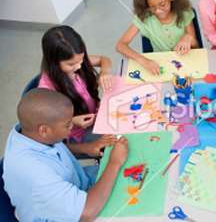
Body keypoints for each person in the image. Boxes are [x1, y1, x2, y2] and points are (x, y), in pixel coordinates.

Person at [3, 88, 129, 222]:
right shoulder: (37, 175)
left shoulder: (28, 131)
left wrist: (85, 148)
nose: (72, 127)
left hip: (79, 185)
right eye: (68, 125)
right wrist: (114, 163)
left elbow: (52, 147)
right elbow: (87, 212)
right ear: (44, 130)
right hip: (79, 211)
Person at [39, 25, 117, 157]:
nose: (79, 66)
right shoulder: (47, 89)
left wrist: (105, 71)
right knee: (123, 141)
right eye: (72, 64)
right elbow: (51, 125)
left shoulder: (76, 60)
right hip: (79, 133)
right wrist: (73, 121)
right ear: (54, 62)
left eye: (81, 60)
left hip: (98, 115)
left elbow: (104, 59)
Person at [116, 0, 199, 75]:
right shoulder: (144, 18)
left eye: (163, 5)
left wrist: (189, 37)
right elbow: (120, 45)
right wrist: (142, 59)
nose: (158, 11)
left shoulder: (184, 13)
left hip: (187, 64)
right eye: (152, 6)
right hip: (160, 67)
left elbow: (197, 47)